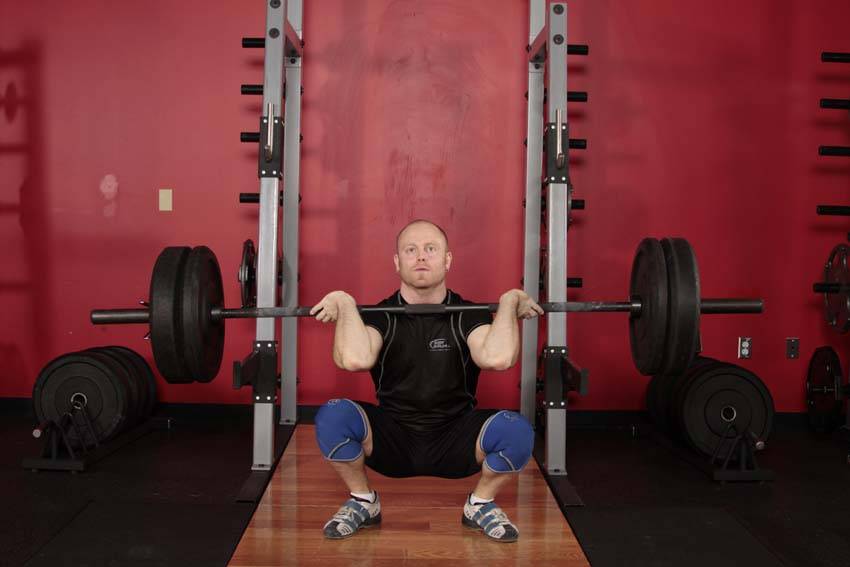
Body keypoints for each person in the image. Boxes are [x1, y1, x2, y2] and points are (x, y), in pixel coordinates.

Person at [309, 219, 543, 542]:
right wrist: (345, 304)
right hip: (392, 438)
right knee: (333, 416)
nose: (421, 257)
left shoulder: (467, 313)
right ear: (397, 262)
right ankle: (364, 500)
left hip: (457, 438)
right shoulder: (382, 314)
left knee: (518, 431)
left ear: (447, 260)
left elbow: (497, 358)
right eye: (411, 250)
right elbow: (354, 359)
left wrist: (509, 302)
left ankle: (480, 504)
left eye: (431, 250)